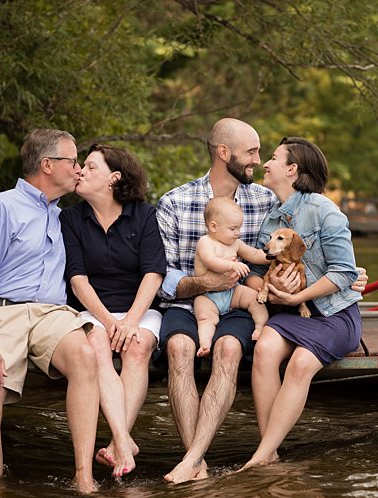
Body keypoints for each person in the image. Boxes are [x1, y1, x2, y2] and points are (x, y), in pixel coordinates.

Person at [0, 129, 102, 493]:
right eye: (73, 160)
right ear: (47, 165)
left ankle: (83, 477)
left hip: (50, 313)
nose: (78, 168)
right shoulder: (1, 208)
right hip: (0, 313)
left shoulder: (61, 214)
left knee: (84, 354)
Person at [156, 117, 276, 483]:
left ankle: (191, 460)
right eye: (251, 151)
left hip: (237, 301)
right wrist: (207, 281)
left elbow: (270, 259)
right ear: (224, 152)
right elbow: (163, 275)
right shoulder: (175, 202)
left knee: (228, 350)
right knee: (178, 347)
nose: (258, 159)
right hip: (187, 303)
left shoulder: (265, 201)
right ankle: (198, 460)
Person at [237, 136, 363, 470]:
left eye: (274, 158)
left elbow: (344, 273)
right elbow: (252, 272)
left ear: (292, 169)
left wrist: (296, 295)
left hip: (335, 314)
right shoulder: (272, 221)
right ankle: (271, 452)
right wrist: (272, 285)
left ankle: (261, 455)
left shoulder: (324, 211)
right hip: (293, 314)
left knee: (301, 363)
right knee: (263, 349)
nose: (266, 163)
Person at [60, 143, 166, 478]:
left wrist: (132, 320)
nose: (81, 171)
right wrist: (108, 321)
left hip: (140, 308)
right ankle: (122, 442)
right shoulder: (71, 218)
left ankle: (118, 443)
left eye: (90, 167)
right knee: (97, 348)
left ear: (113, 178)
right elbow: (77, 279)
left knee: (137, 348)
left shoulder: (144, 215)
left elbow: (153, 272)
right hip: (93, 310)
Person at [192, 197, 271, 357]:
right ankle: (205, 344)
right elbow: (210, 261)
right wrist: (233, 265)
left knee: (255, 299)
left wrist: (272, 255)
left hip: (232, 291)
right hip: (208, 296)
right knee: (204, 317)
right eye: (233, 228)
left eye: (239, 228)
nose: (238, 233)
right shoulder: (205, 242)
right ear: (213, 226)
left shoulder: (236, 243)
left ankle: (260, 326)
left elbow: (255, 254)